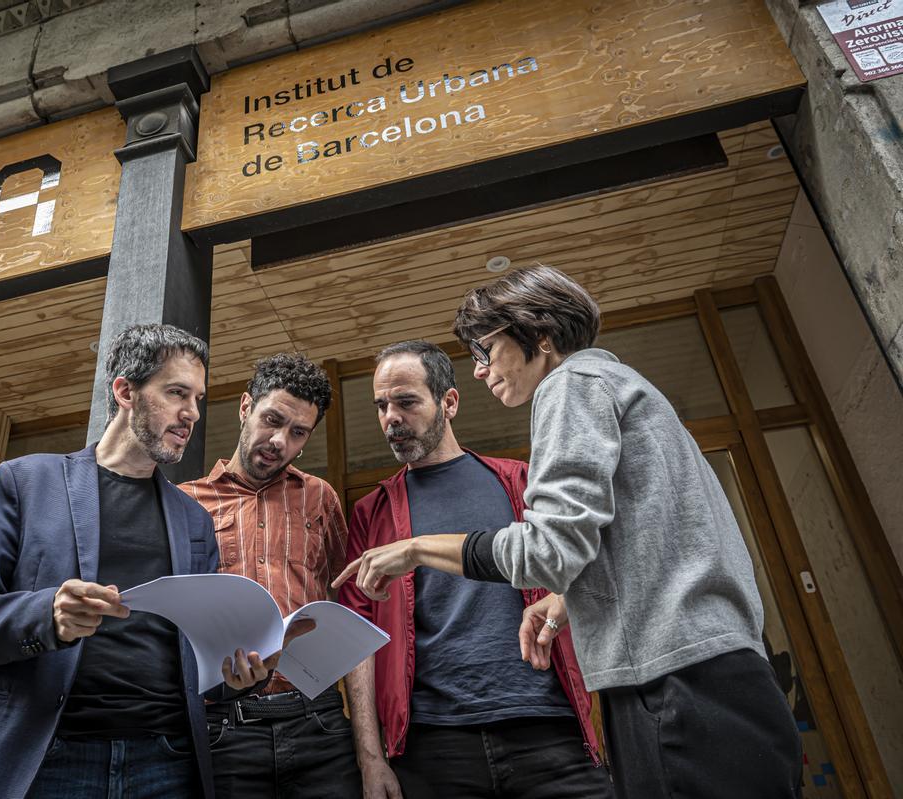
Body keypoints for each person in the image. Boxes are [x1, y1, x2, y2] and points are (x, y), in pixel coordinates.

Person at [334, 266, 803, 799]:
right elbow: (628, 540)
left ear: (541, 336)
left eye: (487, 351)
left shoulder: (569, 387)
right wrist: (565, 602)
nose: (483, 371)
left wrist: (416, 548)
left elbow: (549, 550)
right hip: (717, 673)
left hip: (674, 685)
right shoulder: (623, 387)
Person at [0, 324, 282, 799]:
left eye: (198, 399)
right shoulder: (26, 482)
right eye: (177, 393)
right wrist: (46, 614)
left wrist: (237, 679)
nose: (192, 414)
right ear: (125, 391)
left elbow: (198, 664)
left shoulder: (194, 521)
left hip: (167, 762)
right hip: (50, 756)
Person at [338, 340, 610, 799]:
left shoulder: (522, 482)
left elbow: (590, 565)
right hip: (432, 746)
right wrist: (371, 760)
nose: (391, 418)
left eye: (406, 402)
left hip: (548, 730)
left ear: (449, 401)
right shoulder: (372, 513)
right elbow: (356, 640)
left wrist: (562, 601)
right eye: (381, 406)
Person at [181, 353, 362, 798]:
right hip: (223, 727)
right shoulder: (185, 503)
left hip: (317, 719)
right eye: (272, 420)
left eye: (298, 432)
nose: (280, 440)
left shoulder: (320, 498)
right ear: (245, 407)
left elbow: (351, 604)